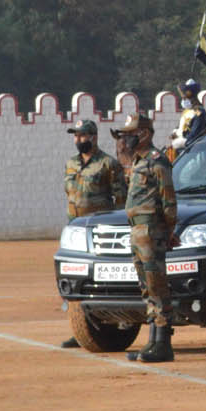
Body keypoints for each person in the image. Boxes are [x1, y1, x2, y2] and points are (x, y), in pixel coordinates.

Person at [113, 110, 179, 364]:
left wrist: (169, 231)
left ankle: (163, 344)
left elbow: (168, 200)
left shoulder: (156, 161)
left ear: (144, 134)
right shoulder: (138, 162)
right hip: (138, 230)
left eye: (130, 134)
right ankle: (152, 340)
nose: (126, 139)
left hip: (152, 230)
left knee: (157, 284)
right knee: (146, 286)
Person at [62, 118, 127, 348]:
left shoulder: (108, 164)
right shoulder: (71, 163)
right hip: (75, 230)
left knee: (100, 281)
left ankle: (117, 323)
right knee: (75, 280)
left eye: (82, 135)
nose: (78, 139)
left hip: (99, 232)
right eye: (76, 135)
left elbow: (121, 200)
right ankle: (81, 329)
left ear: (93, 137)